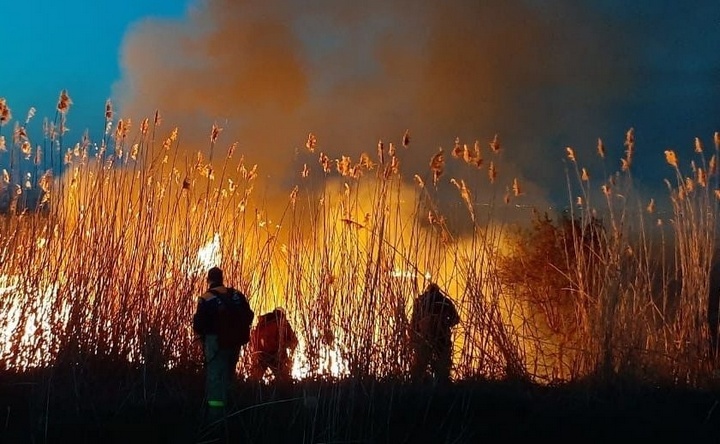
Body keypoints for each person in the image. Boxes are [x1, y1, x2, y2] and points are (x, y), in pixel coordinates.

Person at [193, 266, 253, 422]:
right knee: (229, 376)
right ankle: (231, 411)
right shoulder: (237, 295)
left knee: (215, 378)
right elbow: (249, 315)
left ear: (209, 280)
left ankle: (216, 417)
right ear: (222, 278)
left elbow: (198, 325)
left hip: (215, 343)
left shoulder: (206, 298)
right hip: (235, 343)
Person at [409, 283, 460, 383]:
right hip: (442, 336)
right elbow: (456, 319)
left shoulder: (420, 301)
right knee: (442, 362)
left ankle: (416, 383)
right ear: (438, 291)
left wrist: (415, 334)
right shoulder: (445, 301)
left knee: (421, 362)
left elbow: (414, 322)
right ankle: (442, 383)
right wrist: (446, 323)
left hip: (424, 336)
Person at [249, 307, 298, 382]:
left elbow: (254, 338)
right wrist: (289, 357)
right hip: (275, 353)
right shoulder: (282, 322)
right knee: (284, 378)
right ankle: (283, 390)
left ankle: (251, 390)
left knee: (255, 378)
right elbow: (293, 340)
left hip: (260, 353)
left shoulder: (262, 322)